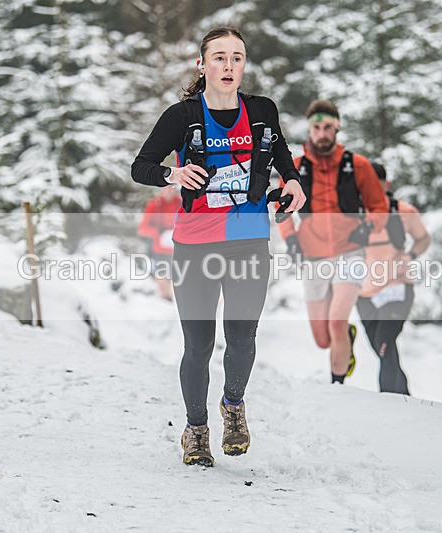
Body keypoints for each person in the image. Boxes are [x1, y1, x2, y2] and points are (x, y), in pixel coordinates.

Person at [131, 27, 306, 467]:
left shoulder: (262, 111)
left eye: (237, 58)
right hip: (195, 245)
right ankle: (196, 429)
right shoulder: (182, 115)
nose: (229, 66)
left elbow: (282, 155)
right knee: (199, 345)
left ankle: (232, 407)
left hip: (249, 239)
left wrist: (295, 183)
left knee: (243, 336)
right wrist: (173, 175)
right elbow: (141, 166)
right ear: (202, 64)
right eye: (220, 57)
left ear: (244, 64)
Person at [277, 100, 389, 385]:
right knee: (322, 337)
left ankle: (337, 387)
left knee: (337, 320)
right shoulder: (296, 169)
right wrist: (290, 239)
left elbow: (379, 207)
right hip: (312, 256)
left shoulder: (358, 166)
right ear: (310, 129)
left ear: (336, 128)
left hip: (349, 252)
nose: (322, 133)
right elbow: (282, 209)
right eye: (317, 127)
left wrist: (367, 228)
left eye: (328, 127)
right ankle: (345, 341)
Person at [356, 162, 430, 394]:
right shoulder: (353, 215)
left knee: (385, 347)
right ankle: (404, 399)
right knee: (382, 350)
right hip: (364, 295)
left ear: (385, 184)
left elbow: (423, 239)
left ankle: (389, 404)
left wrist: (411, 255)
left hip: (397, 289)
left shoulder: (404, 212)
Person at [137, 186, 179, 301]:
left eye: (172, 188)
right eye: (165, 188)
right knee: (161, 275)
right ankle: (164, 298)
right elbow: (142, 228)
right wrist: (157, 232)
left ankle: (171, 300)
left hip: (177, 246)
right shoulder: (154, 205)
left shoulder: (181, 203)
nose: (169, 191)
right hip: (159, 248)